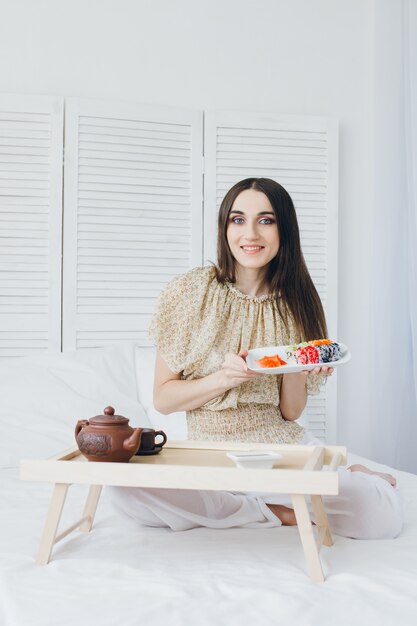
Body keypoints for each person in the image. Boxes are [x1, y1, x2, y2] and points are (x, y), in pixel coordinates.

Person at [109, 178, 402, 538]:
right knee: (124, 492)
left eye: (266, 220)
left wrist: (297, 368)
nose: (251, 234)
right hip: (211, 455)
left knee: (379, 516)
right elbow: (163, 399)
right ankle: (279, 513)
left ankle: (344, 481)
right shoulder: (190, 293)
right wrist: (223, 379)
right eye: (238, 220)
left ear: (284, 230)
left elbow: (290, 412)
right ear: (225, 227)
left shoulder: (299, 304)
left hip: (279, 452)